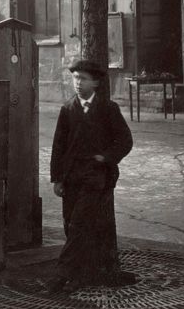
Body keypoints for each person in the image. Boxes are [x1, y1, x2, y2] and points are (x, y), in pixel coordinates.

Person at [48, 59, 135, 293]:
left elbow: (125, 141)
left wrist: (105, 158)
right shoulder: (67, 109)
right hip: (71, 177)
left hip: (96, 178)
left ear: (95, 82)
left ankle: (62, 274)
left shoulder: (108, 109)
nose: (78, 83)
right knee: (71, 225)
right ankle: (80, 275)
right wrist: (57, 178)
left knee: (79, 225)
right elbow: (58, 146)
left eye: (83, 79)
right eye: (75, 78)